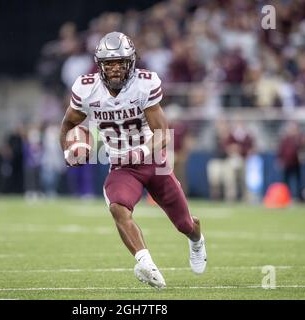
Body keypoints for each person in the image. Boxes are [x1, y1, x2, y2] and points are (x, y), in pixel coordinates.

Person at [59, 32, 207, 289]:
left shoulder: (144, 84)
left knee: (185, 223)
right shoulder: (86, 89)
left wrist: (140, 151)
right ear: (100, 65)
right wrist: (68, 150)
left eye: (120, 62)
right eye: (109, 63)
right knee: (117, 206)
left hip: (153, 161)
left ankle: (197, 240)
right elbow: (68, 124)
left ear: (131, 62)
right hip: (121, 164)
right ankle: (145, 262)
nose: (115, 69)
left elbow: (162, 134)